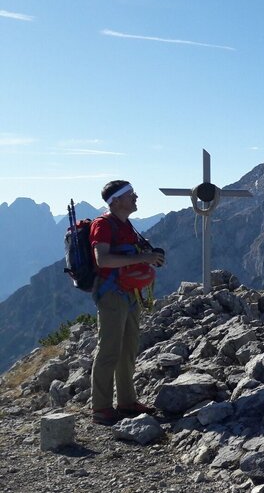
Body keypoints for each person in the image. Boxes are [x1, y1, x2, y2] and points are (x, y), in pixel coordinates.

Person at [89, 180, 165, 425]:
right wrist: (145, 257)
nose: (136, 197)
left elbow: (131, 255)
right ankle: (101, 408)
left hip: (129, 293)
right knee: (109, 349)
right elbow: (103, 260)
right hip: (112, 294)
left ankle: (126, 401)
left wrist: (150, 258)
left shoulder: (127, 225)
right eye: (131, 195)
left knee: (128, 348)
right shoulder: (102, 225)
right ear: (117, 200)